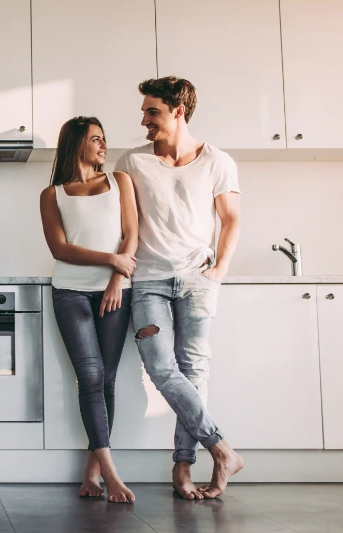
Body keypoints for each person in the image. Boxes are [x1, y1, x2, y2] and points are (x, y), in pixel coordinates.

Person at [114, 77, 243, 499]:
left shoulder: (218, 161)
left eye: (152, 111)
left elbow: (231, 219)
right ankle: (221, 448)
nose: (144, 119)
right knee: (162, 369)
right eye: (145, 111)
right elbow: (125, 227)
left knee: (194, 372)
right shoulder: (130, 162)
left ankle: (183, 468)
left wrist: (219, 269)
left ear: (178, 111)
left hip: (197, 280)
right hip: (148, 280)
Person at [40, 116, 139, 503]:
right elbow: (60, 250)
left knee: (107, 379)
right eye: (95, 139)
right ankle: (111, 475)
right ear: (76, 144)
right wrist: (111, 260)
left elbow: (132, 234)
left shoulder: (119, 181)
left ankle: (91, 473)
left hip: (117, 290)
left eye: (103, 138)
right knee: (91, 375)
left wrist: (117, 276)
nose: (103, 145)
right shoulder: (53, 194)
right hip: (70, 291)